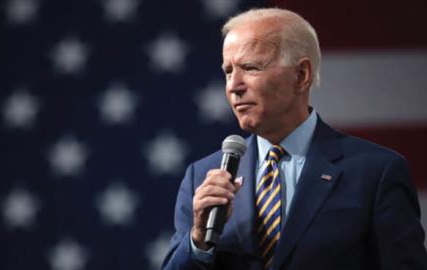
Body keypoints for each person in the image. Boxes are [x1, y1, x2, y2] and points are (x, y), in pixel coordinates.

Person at [161, 7, 427, 270]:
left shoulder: (375, 173)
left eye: (251, 67)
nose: (234, 86)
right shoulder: (203, 176)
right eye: (228, 71)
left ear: (301, 75)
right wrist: (198, 242)